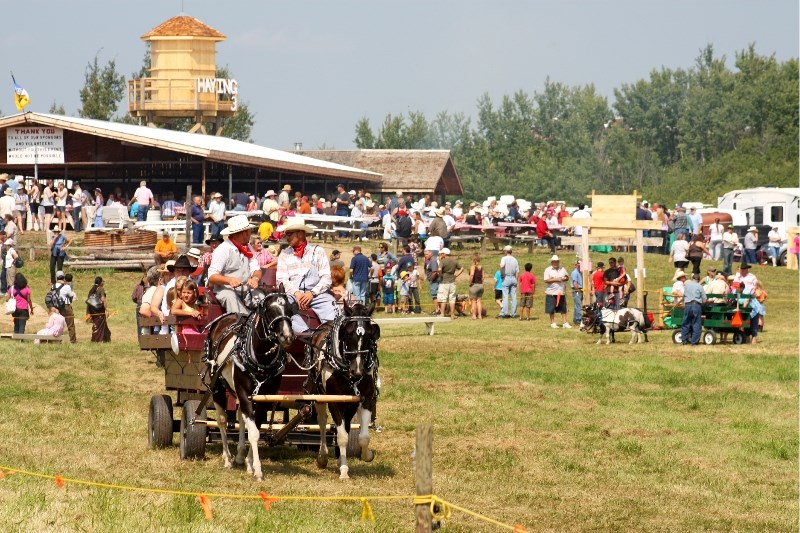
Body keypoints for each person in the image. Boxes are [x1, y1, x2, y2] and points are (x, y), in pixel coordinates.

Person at [275, 217, 338, 332]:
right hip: (292, 295)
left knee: (333, 310)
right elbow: (281, 280)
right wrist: (297, 293)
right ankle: (304, 334)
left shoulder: (318, 251)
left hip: (317, 295)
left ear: (300, 233)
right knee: (282, 309)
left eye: (289, 234)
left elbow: (326, 278)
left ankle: (330, 337)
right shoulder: (284, 254)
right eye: (286, 234)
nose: (286, 237)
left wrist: (311, 293)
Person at [208, 215, 262, 316]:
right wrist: (229, 280)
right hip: (225, 290)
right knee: (231, 298)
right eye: (249, 231)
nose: (250, 234)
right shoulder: (223, 249)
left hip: (246, 289)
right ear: (243, 233)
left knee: (263, 300)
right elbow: (212, 276)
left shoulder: (248, 247)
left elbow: (256, 269)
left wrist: (255, 278)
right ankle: (242, 325)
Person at [543, 255, 570, 328]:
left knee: (563, 308)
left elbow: (567, 277)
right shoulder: (548, 270)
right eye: (554, 262)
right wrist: (556, 279)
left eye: (557, 262)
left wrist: (565, 278)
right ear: (552, 262)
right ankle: (553, 322)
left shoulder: (562, 269)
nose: (556, 263)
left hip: (561, 291)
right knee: (551, 308)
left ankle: (565, 322)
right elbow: (546, 280)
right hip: (551, 292)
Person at [680, 274, 707, 345]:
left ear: (692, 278)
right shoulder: (700, 287)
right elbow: (704, 300)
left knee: (686, 323)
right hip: (696, 305)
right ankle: (694, 342)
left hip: (688, 305)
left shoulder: (687, 285)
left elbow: (684, 295)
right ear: (699, 279)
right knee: (696, 323)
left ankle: (684, 340)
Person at [437, 248, 463, 319]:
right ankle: (452, 314)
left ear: (444, 254)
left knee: (443, 298)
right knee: (452, 298)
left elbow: (439, 269)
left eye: (442, 253)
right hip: (452, 281)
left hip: (444, 282)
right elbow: (462, 268)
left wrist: (441, 275)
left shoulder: (442, 261)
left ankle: (442, 313)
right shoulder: (454, 261)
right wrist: (456, 275)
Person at [498, 245, 519, 319]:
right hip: (513, 278)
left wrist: (500, 267)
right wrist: (516, 280)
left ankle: (505, 313)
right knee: (514, 296)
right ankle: (513, 313)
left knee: (505, 296)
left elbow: (502, 266)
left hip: (506, 277)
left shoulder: (504, 258)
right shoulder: (515, 259)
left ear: (506, 251)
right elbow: (517, 272)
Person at [87, 276, 111, 342]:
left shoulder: (92, 289)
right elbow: (103, 299)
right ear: (100, 283)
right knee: (99, 325)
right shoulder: (101, 289)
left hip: (93, 310)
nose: (103, 283)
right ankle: (96, 339)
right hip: (99, 310)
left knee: (99, 324)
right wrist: (106, 309)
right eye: (103, 281)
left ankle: (106, 338)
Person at [56, 271, 77, 343]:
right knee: (71, 325)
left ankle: (58, 340)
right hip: (66, 306)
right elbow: (71, 296)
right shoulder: (68, 286)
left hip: (59, 306)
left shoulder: (59, 286)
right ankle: (73, 341)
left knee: (59, 324)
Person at [468, 253, 485, 320]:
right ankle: (480, 315)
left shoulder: (473, 267)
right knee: (479, 301)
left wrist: (470, 282)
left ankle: (474, 315)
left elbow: (472, 275)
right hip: (481, 285)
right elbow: (483, 277)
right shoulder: (481, 267)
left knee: (474, 301)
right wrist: (481, 282)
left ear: (473, 260)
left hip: (474, 285)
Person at [424, 250, 440, 315]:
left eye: (427, 254)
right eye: (425, 254)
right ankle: (437, 309)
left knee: (435, 296)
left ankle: (437, 310)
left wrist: (431, 279)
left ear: (431, 254)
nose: (426, 256)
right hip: (432, 281)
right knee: (434, 296)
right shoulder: (429, 261)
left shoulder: (433, 261)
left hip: (434, 281)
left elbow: (434, 272)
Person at [570, 260, 583, 326]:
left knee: (577, 305)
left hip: (581, 290)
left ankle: (576, 319)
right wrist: (578, 290)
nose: (579, 265)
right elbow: (575, 282)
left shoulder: (581, 272)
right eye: (578, 264)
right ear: (576, 264)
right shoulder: (575, 272)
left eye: (581, 264)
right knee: (578, 305)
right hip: (577, 290)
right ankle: (578, 319)